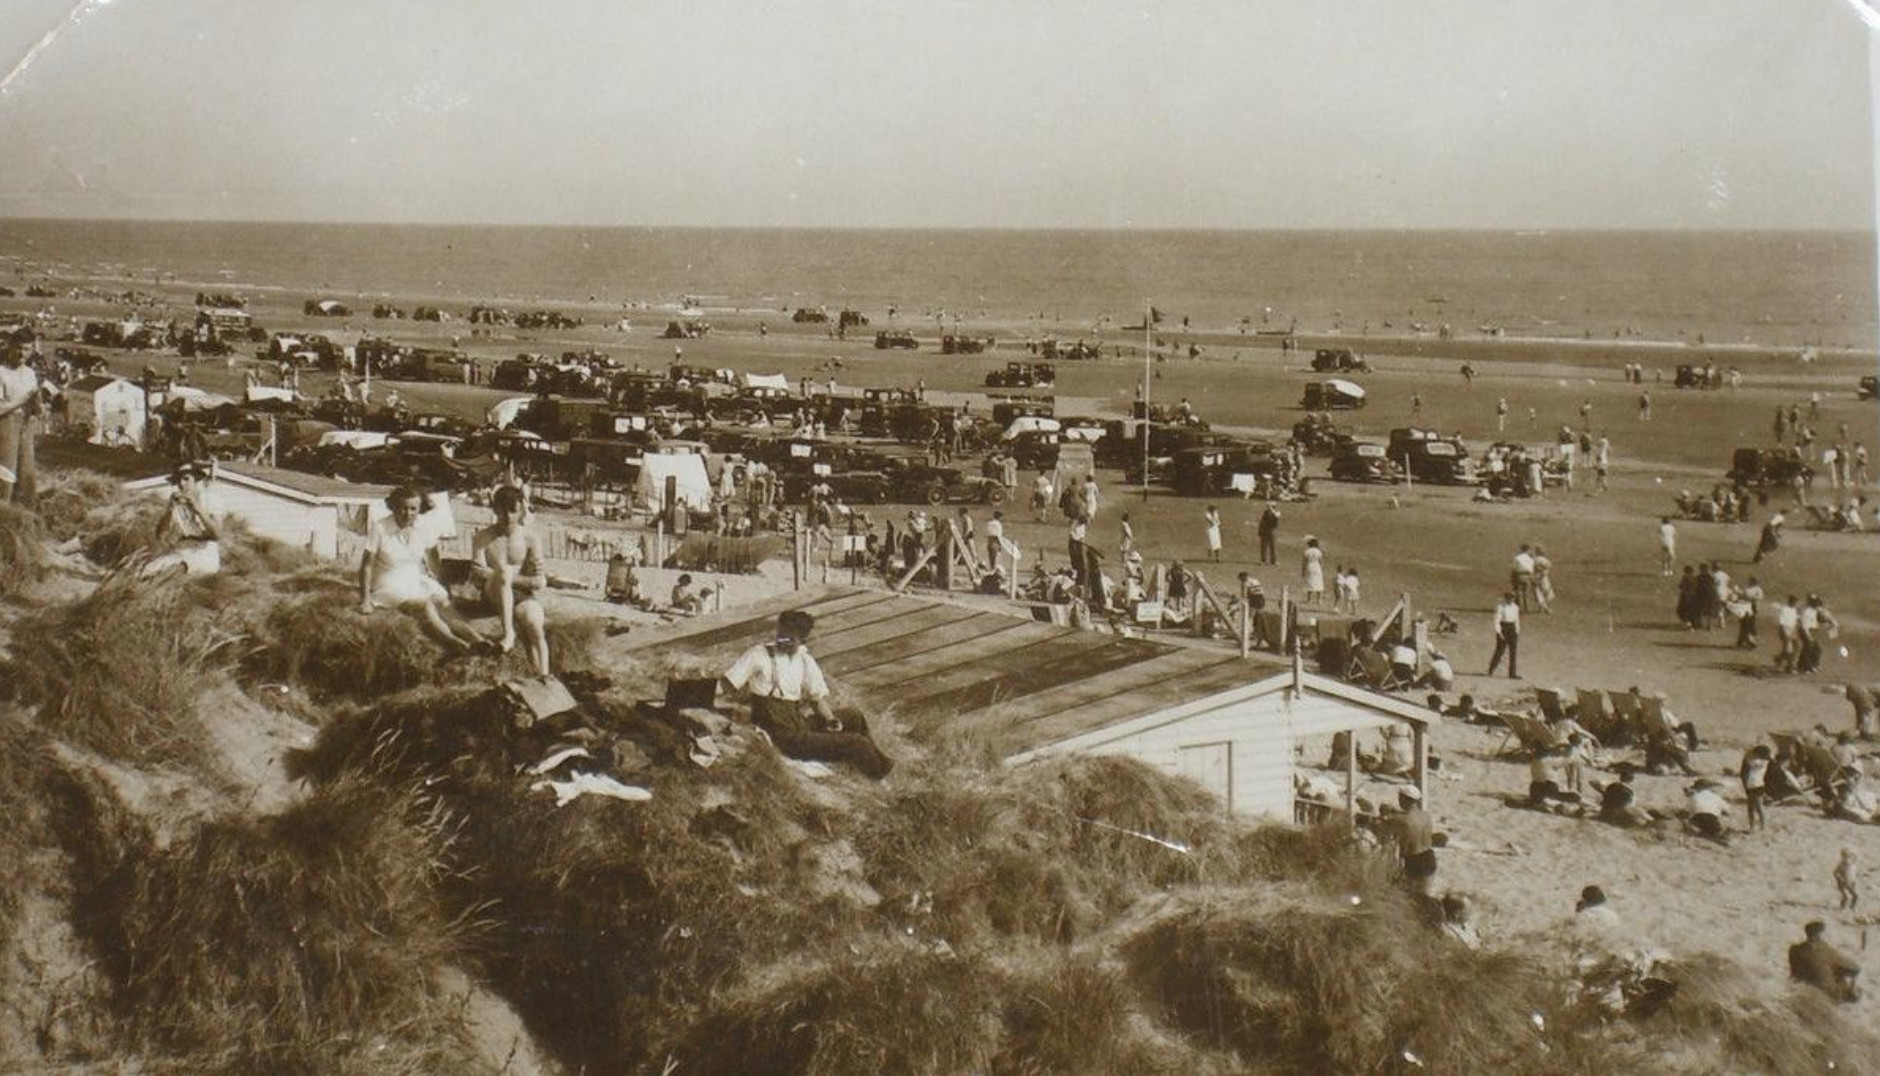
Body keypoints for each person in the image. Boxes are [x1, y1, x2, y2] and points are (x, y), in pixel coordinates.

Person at [723, 609, 892, 777]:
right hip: (783, 739)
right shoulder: (759, 655)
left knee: (854, 716)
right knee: (858, 743)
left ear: (802, 640)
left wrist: (830, 719)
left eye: (790, 639)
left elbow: (816, 699)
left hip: (799, 727)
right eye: (780, 635)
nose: (782, 641)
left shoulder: (804, 661)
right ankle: (879, 778)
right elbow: (727, 684)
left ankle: (877, 767)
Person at [359, 486, 486, 656]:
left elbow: (433, 560)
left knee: (444, 604)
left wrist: (441, 584)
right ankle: (454, 642)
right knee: (424, 605)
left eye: (413, 509)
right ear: (393, 507)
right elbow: (366, 566)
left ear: (419, 509)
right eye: (403, 508)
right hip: (388, 582)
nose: (408, 513)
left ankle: (480, 641)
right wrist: (365, 599)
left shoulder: (423, 526)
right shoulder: (380, 528)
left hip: (414, 578)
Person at [471, 485, 550, 675]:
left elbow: (538, 582)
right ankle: (509, 634)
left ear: (521, 510)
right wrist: (502, 576)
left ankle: (544, 676)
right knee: (504, 570)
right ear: (494, 510)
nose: (507, 516)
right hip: (492, 594)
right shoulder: (483, 537)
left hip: (521, 595)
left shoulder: (531, 538)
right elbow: (477, 575)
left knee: (534, 625)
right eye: (501, 511)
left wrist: (508, 578)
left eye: (513, 510)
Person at [144, 462, 223, 576]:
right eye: (178, 480)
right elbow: (161, 536)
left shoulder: (209, 498)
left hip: (205, 552)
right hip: (182, 549)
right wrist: (169, 511)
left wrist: (197, 508)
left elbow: (217, 534)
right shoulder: (176, 501)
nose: (181, 484)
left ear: (195, 479)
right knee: (146, 571)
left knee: (173, 570)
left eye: (186, 479)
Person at [0, 346, 41, 505]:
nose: (22, 353)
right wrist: (23, 399)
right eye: (18, 348)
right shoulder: (2, 373)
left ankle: (25, 511)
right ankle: (4, 511)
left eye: (27, 349)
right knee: (6, 470)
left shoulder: (30, 373)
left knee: (26, 470)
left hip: (26, 424)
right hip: (7, 423)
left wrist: (37, 404)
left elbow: (37, 409)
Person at [1789, 921, 1862, 1003]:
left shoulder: (1794, 950)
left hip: (1801, 987)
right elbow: (1853, 969)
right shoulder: (1824, 951)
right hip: (1826, 994)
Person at [1391, 786, 1437, 896]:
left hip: (1413, 860)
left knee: (1410, 897)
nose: (1399, 801)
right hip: (1429, 857)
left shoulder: (1400, 819)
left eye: (1400, 798)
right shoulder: (1426, 816)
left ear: (1405, 799)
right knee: (1425, 895)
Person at [1684, 779, 1731, 843]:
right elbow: (1728, 810)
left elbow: (1688, 811)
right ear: (1709, 788)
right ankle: (1716, 835)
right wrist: (1721, 811)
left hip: (1698, 818)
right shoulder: (1716, 797)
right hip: (1712, 819)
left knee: (1692, 824)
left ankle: (1702, 832)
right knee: (1717, 828)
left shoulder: (1694, 797)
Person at [1487, 591, 1520, 679]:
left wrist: (1517, 631)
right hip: (1504, 628)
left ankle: (1512, 673)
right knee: (1500, 651)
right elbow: (1497, 620)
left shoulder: (1516, 607)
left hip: (1512, 628)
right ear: (1506, 598)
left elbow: (1516, 620)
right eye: (1510, 598)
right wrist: (1499, 632)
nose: (1511, 600)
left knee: (1513, 652)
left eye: (1513, 598)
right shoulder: (1501, 607)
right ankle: (1491, 668)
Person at [1740, 745, 1771, 832]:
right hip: (1755, 786)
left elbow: (1748, 762)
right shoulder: (1762, 761)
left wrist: (1747, 754)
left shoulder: (1762, 762)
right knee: (1754, 808)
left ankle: (1758, 826)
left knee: (1756, 808)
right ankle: (1759, 826)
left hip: (1755, 786)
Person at [1301, 536, 1325, 605]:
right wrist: (1322, 568)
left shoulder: (1307, 551)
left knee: (1310, 583)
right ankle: (1319, 600)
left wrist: (1303, 571)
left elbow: (1304, 562)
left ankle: (1309, 599)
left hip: (1310, 567)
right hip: (1317, 567)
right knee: (1319, 584)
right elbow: (1321, 561)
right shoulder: (1318, 551)